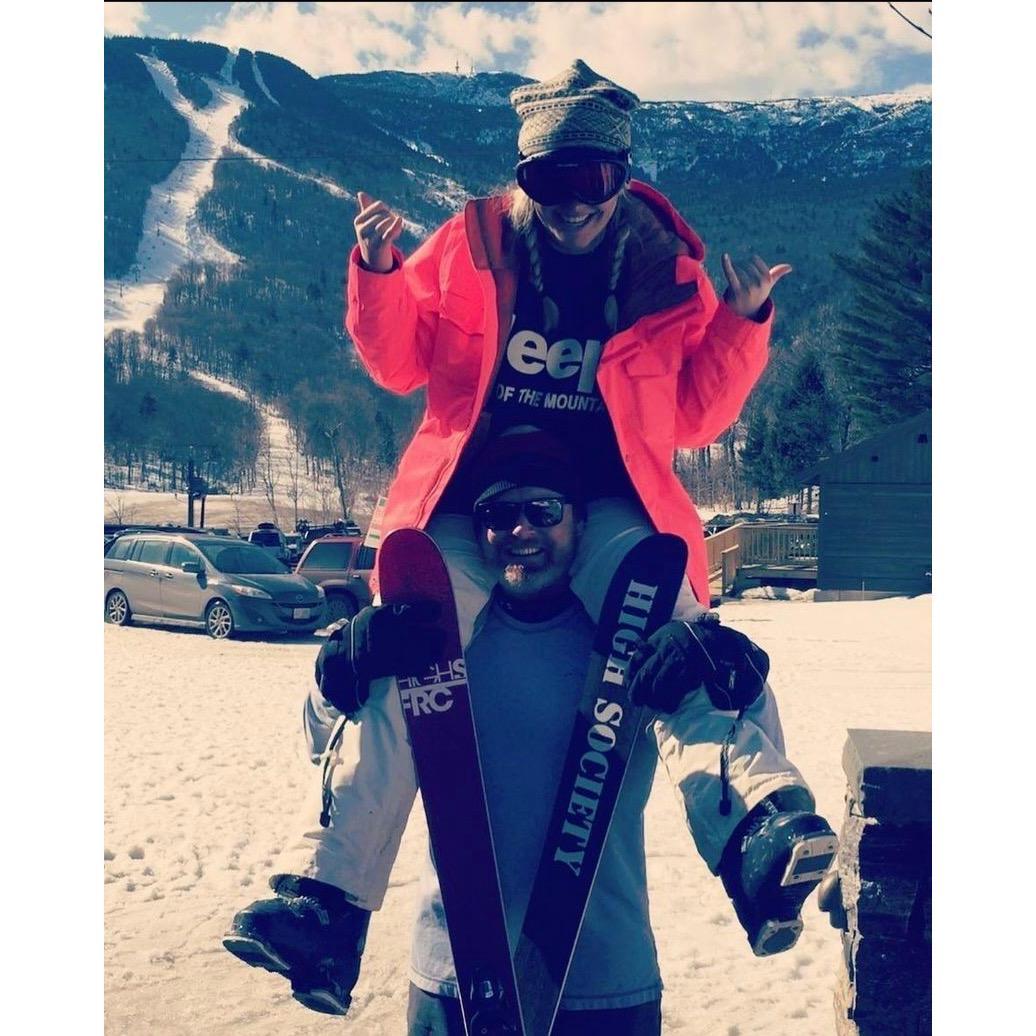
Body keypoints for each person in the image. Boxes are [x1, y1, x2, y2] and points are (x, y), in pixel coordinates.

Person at [223, 431, 835, 1033]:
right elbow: (325, 743)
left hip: (606, 984)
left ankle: (750, 856)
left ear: (580, 520)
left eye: (542, 510)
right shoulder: (434, 635)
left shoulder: (633, 636)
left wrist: (730, 667)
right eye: (498, 515)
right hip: (452, 979)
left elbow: (720, 727)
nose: (520, 531)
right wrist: (336, 674)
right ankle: (326, 916)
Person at [347, 58, 791, 644]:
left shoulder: (664, 276)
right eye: (550, 181)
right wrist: (379, 273)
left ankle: (678, 694)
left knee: (666, 616)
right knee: (411, 621)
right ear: (523, 180)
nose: (573, 203)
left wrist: (739, 324)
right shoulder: (470, 247)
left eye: (594, 179)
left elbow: (694, 421)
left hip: (601, 493)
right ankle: (410, 688)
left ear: (623, 178)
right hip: (471, 489)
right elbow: (398, 368)